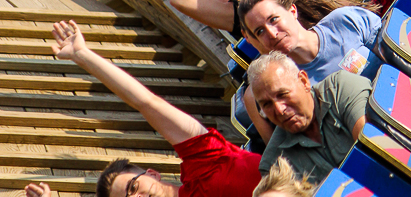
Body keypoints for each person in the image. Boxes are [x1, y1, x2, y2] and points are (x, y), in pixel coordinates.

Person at [40, 20, 261, 197]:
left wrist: (82, 55)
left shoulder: (205, 161)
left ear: (152, 174)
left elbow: (147, 102)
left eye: (133, 188)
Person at [248, 52, 372, 184]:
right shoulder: (274, 165)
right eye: (267, 104)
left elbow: (372, 149)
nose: (279, 110)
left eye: (282, 94)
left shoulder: (341, 89)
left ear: (303, 81)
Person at [238, 0, 382, 85]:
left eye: (273, 19)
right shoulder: (290, 83)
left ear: (292, 11)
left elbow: (395, 53)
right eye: (260, 31)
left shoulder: (344, 21)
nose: (272, 33)